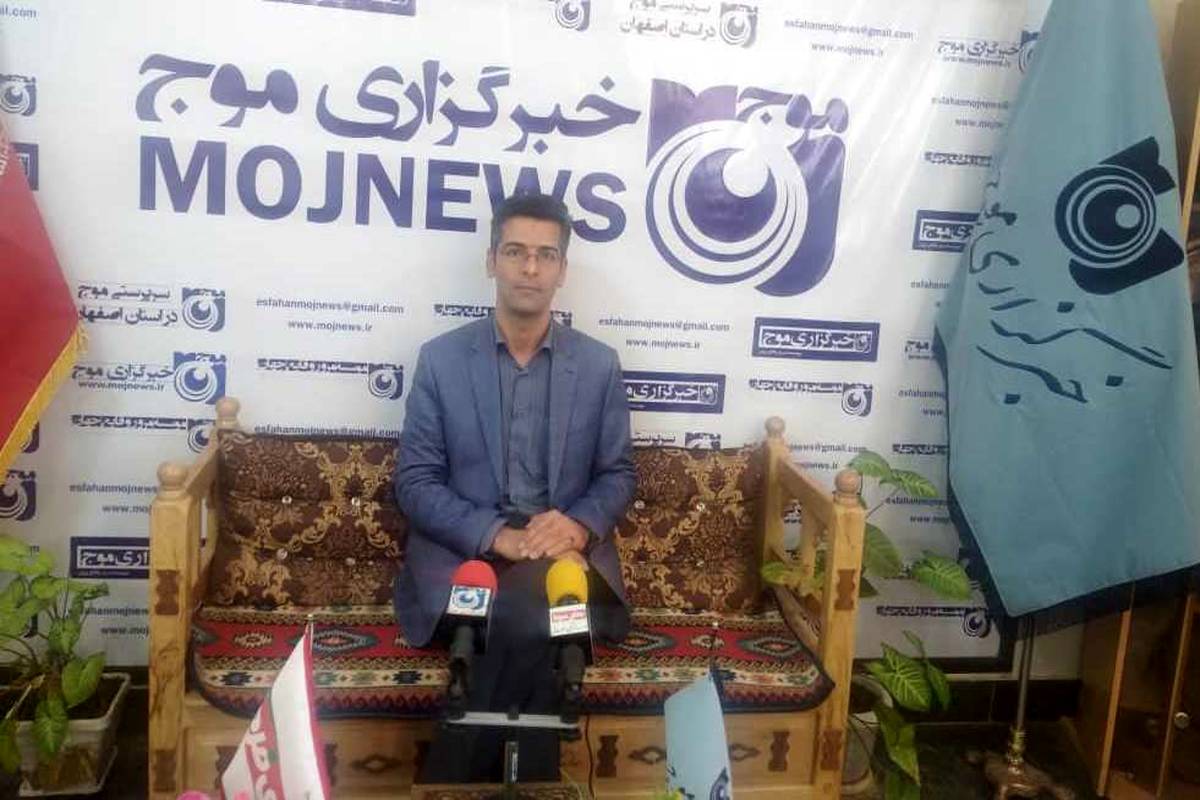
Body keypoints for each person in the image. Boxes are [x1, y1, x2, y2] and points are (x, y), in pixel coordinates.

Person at [393, 192, 636, 781]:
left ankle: (453, 785)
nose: (530, 268)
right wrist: (494, 534)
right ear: (491, 261)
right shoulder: (442, 361)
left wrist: (576, 525)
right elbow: (415, 482)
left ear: (562, 270)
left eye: (545, 255)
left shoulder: (598, 366)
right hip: (466, 557)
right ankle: (531, 785)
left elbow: (618, 474)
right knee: (530, 619)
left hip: (560, 556)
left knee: (526, 610)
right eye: (515, 252)